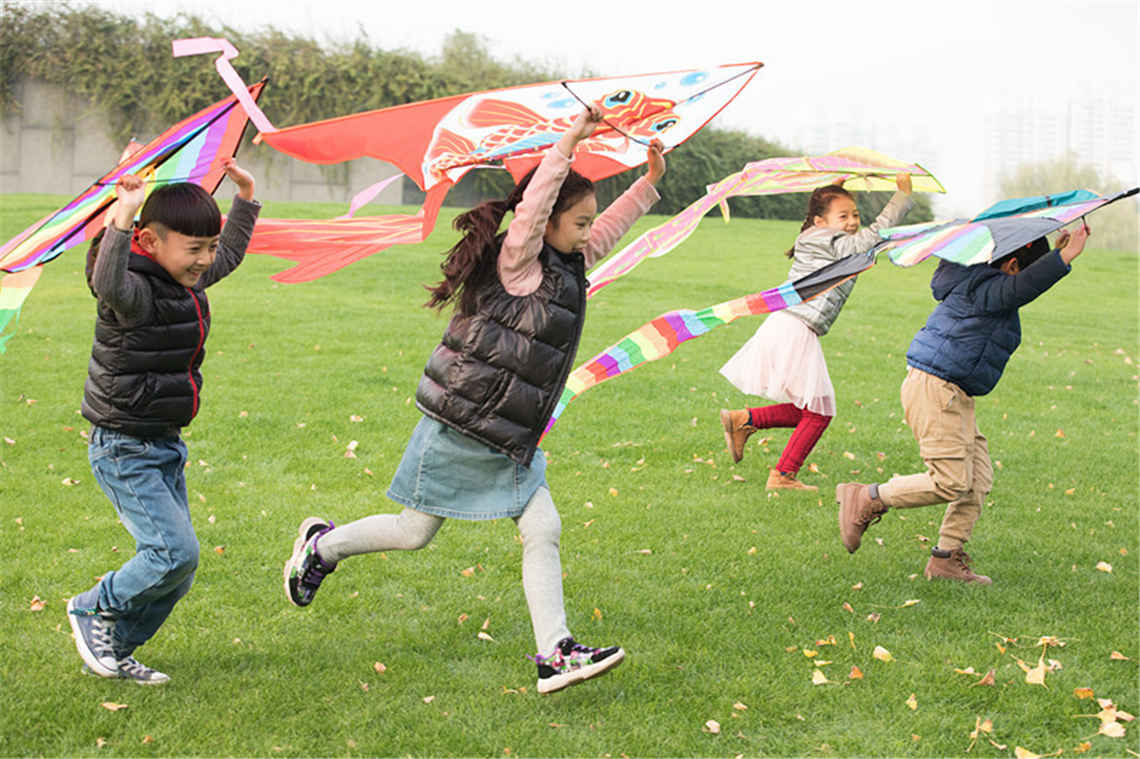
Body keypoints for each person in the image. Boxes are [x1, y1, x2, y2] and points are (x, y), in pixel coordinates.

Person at [283, 107, 665, 694]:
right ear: (548, 223)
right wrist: (566, 144)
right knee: (413, 532)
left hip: (510, 436)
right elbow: (535, 209)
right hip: (465, 425)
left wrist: (649, 181)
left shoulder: (571, 263)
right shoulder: (519, 265)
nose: (591, 232)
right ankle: (320, 548)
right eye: (579, 222)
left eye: (590, 223)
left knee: (544, 528)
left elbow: (610, 227)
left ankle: (555, 654)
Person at [66, 160, 260, 684]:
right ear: (150, 242)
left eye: (209, 247)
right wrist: (122, 218)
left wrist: (245, 197)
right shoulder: (131, 294)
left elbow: (232, 254)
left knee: (180, 569)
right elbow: (108, 279)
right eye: (194, 249)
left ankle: (116, 646)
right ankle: (91, 608)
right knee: (173, 550)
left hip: (165, 443)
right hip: (122, 444)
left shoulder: (186, 278)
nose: (206, 260)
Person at [835, 226, 1090, 583]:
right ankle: (867, 497)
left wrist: (1053, 253)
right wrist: (1062, 259)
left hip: (952, 390)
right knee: (951, 481)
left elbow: (1018, 283)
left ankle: (945, 560)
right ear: (1011, 263)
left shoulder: (980, 279)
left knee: (977, 479)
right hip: (936, 388)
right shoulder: (983, 286)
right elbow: (1019, 288)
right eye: (1023, 269)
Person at [719, 177, 913, 490]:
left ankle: (744, 420)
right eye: (843, 216)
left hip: (794, 326)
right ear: (821, 222)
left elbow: (865, 246)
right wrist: (901, 198)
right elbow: (864, 243)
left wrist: (824, 197)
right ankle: (782, 475)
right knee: (820, 411)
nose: (851, 223)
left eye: (855, 215)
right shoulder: (827, 239)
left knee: (811, 408)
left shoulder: (820, 236)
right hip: (795, 328)